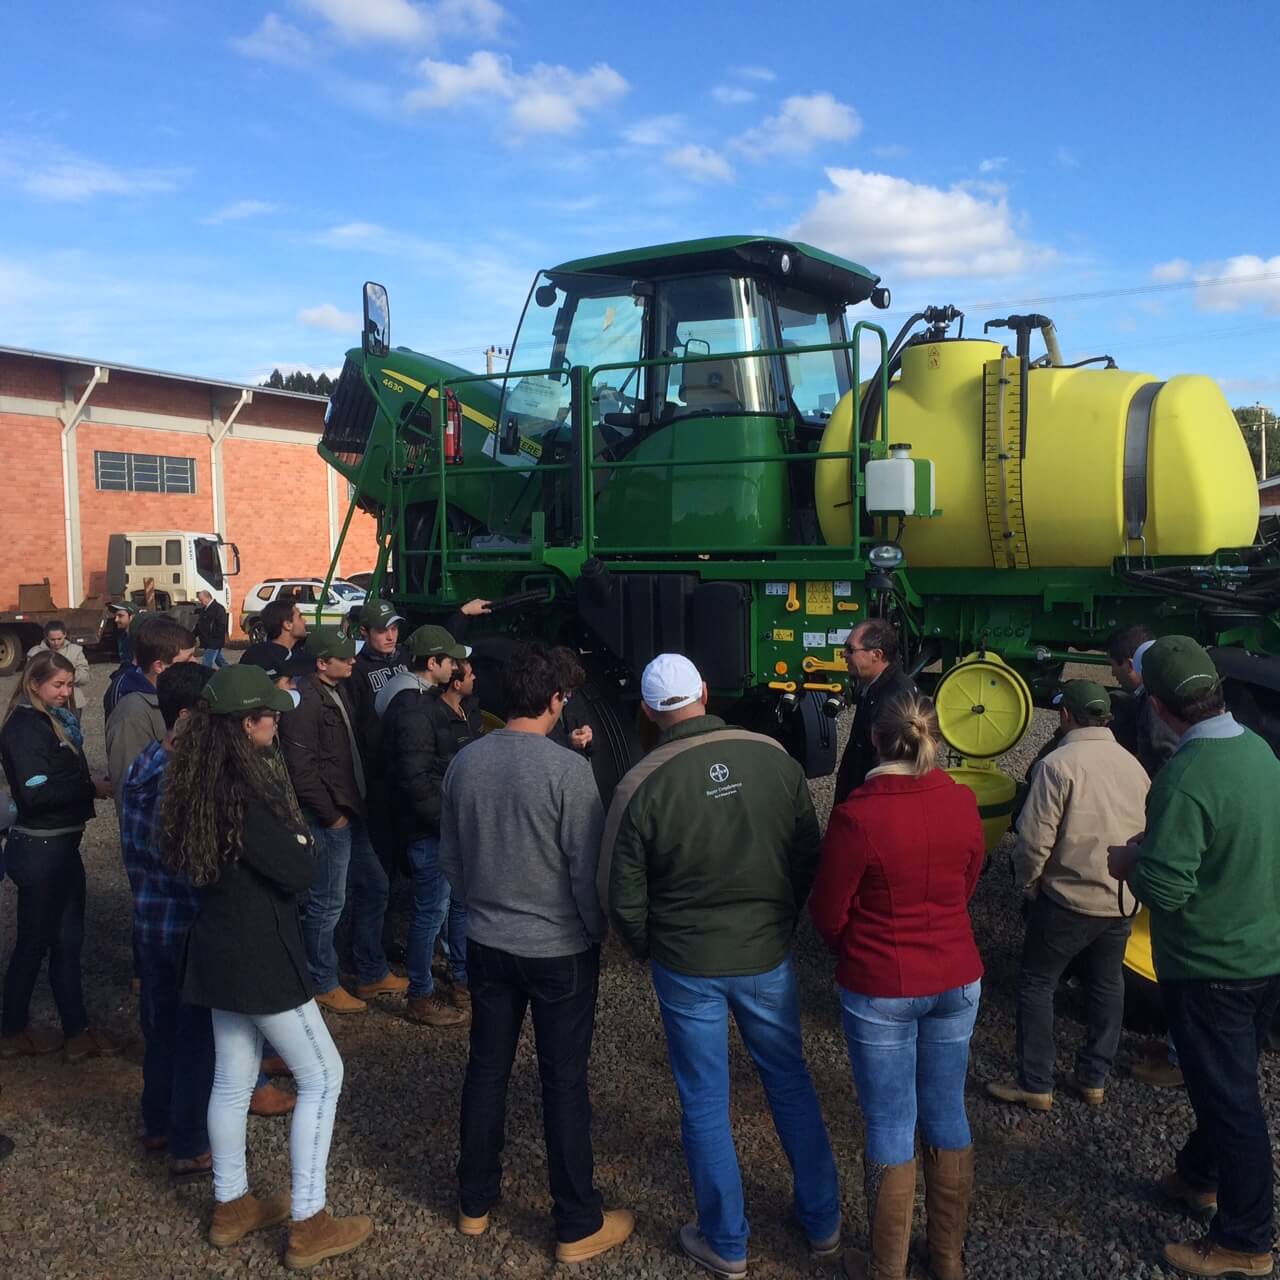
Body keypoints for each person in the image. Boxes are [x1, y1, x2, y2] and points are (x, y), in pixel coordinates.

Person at [606, 653, 836, 1277]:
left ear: (648, 710)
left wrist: (647, 946)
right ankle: (823, 1222)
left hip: (687, 963)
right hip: (765, 954)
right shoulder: (774, 758)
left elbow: (622, 895)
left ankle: (726, 1242)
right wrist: (781, 921)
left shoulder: (642, 781)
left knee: (704, 1100)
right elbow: (806, 854)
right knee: (789, 1079)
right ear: (705, 692)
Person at [161, 664, 371, 1269]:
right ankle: (310, 1221)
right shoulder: (247, 791)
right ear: (245, 724)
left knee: (231, 1080)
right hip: (261, 953)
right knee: (324, 1075)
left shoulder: (199, 778)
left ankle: (231, 1206)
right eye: (269, 716)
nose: (277, 724)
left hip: (217, 948)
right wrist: (300, 837)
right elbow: (300, 869)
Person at [441, 642, 634, 1264]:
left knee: (486, 1069)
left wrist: (480, 908)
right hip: (558, 950)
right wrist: (594, 931)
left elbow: (452, 859)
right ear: (555, 700)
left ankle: (474, 1201)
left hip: (487, 941)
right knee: (564, 1081)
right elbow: (586, 872)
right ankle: (575, 1221)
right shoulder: (568, 771)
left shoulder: (466, 762)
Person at [1108, 637, 1280, 1279]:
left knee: (1232, 1103)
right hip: (1264, 953)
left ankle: (1245, 1241)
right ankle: (1197, 1176)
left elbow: (1167, 889)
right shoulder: (1257, 750)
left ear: (1156, 705)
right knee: (1224, 1083)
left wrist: (1131, 862)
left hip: (1212, 967)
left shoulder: (1185, 776)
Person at [810, 694, 985, 1280]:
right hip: (956, 973)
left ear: (876, 741)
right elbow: (967, 882)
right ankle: (948, 1258)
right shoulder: (961, 800)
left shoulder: (859, 815)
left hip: (882, 979)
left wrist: (854, 944)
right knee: (947, 1109)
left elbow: (828, 911)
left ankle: (889, 1269)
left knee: (890, 1121)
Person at [985, 681, 1150, 1113]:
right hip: (1120, 896)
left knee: (1038, 982)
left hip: (1068, 899)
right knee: (1108, 983)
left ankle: (1036, 1082)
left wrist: (1028, 883)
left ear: (1065, 716)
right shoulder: (1134, 766)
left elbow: (1033, 840)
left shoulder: (1057, 765)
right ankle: (1093, 1078)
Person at [123, 662, 219, 1180]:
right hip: (183, 926)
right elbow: (186, 869)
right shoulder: (180, 783)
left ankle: (156, 1122)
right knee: (195, 1039)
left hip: (148, 923)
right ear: (186, 716)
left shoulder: (144, 762)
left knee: (159, 1032)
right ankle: (190, 1143)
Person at [0, 651, 119, 1063]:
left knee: (68, 942)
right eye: (57, 685)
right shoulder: (24, 728)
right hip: (40, 850)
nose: (66, 692)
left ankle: (76, 1030)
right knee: (33, 943)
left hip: (61, 847)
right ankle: (11, 1030)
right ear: (34, 684)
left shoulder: (53, 721)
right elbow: (34, 793)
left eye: (69, 685)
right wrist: (90, 787)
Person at [279, 628, 402, 1016]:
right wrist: (330, 816)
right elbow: (301, 771)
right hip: (333, 817)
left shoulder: (337, 689)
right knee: (328, 902)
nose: (353, 661)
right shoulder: (304, 704)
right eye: (345, 657)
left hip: (352, 810)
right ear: (321, 663)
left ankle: (370, 972)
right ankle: (322, 982)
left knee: (375, 887)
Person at [379, 625, 472, 1027]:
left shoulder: (421, 700)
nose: (456, 667)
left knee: (445, 906)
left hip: (432, 827)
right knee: (430, 911)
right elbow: (414, 780)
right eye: (450, 660)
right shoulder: (414, 709)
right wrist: (443, 822)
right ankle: (420, 994)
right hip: (427, 831)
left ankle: (454, 978)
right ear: (433, 662)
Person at [106, 618, 197, 811]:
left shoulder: (174, 694)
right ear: (159, 666)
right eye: (187, 659)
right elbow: (129, 786)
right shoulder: (131, 714)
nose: (195, 663)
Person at [833, 619, 917, 805]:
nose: (844, 654)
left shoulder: (893, 699)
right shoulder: (876, 685)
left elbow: (886, 767)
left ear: (876, 655)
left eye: (850, 649)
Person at [1107, 625, 1179, 779]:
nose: (1112, 672)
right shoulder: (1164, 691)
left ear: (1129, 665)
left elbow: (1168, 755)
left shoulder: (1153, 703)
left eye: (1112, 665)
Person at [27, 621, 90, 723]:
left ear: (65, 635)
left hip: (71, 703)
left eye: (59, 639)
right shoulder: (35, 654)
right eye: (52, 639)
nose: (56, 643)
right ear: (46, 637)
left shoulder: (75, 651)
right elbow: (29, 680)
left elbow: (85, 678)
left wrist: (67, 676)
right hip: (44, 704)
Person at [239, 597, 308, 673]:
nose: (305, 621)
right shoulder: (284, 660)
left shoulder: (253, 652)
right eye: (300, 617)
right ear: (287, 625)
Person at [195, 590, 229, 669]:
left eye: (201, 600)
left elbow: (221, 625)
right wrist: (193, 635)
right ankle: (230, 671)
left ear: (207, 598)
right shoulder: (204, 609)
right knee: (219, 660)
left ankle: (206, 676)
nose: (200, 602)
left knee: (206, 663)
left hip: (213, 641)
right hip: (207, 641)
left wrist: (214, 638)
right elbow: (200, 625)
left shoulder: (218, 608)